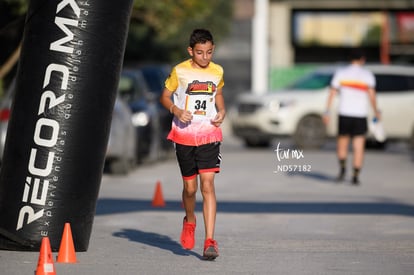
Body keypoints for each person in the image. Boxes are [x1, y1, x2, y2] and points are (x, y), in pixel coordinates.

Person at [160, 29, 226, 260]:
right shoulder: (179, 70)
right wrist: (176, 110)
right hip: (184, 136)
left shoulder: (217, 71)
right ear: (191, 51)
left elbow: (217, 94)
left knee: (207, 185)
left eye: (209, 52)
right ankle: (189, 220)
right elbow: (165, 96)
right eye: (200, 53)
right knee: (190, 189)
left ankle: (210, 241)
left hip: (209, 134)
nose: (205, 57)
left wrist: (222, 111)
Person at [323, 49, 380, 185]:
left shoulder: (341, 73)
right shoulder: (367, 75)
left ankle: (342, 170)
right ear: (362, 59)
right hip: (360, 114)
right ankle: (355, 176)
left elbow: (332, 93)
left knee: (342, 144)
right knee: (358, 146)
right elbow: (372, 95)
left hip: (344, 113)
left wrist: (327, 111)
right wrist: (376, 111)